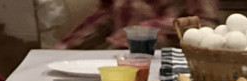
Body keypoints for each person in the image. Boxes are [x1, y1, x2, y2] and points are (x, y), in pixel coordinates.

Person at [54, 0, 219, 49]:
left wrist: (150, 31)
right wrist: (60, 50)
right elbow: (104, 19)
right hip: (119, 62)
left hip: (169, 68)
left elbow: (207, 25)